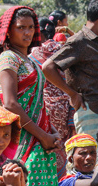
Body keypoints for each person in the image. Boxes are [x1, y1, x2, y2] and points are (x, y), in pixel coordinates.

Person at [0, 6, 62, 186]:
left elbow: (38, 103)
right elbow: (11, 104)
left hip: (40, 140)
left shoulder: (28, 59)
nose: (27, 33)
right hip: (24, 142)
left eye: (31, 27)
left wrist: (52, 132)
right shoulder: (8, 59)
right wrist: (43, 135)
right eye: (21, 28)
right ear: (8, 32)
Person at [43, 0, 98, 135]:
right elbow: (48, 68)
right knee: (90, 155)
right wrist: (72, 94)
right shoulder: (79, 41)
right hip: (89, 111)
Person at [31, 12, 76, 173]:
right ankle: (60, 181)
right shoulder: (64, 49)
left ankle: (46, 183)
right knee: (62, 147)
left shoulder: (33, 54)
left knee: (43, 147)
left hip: (44, 108)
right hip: (65, 108)